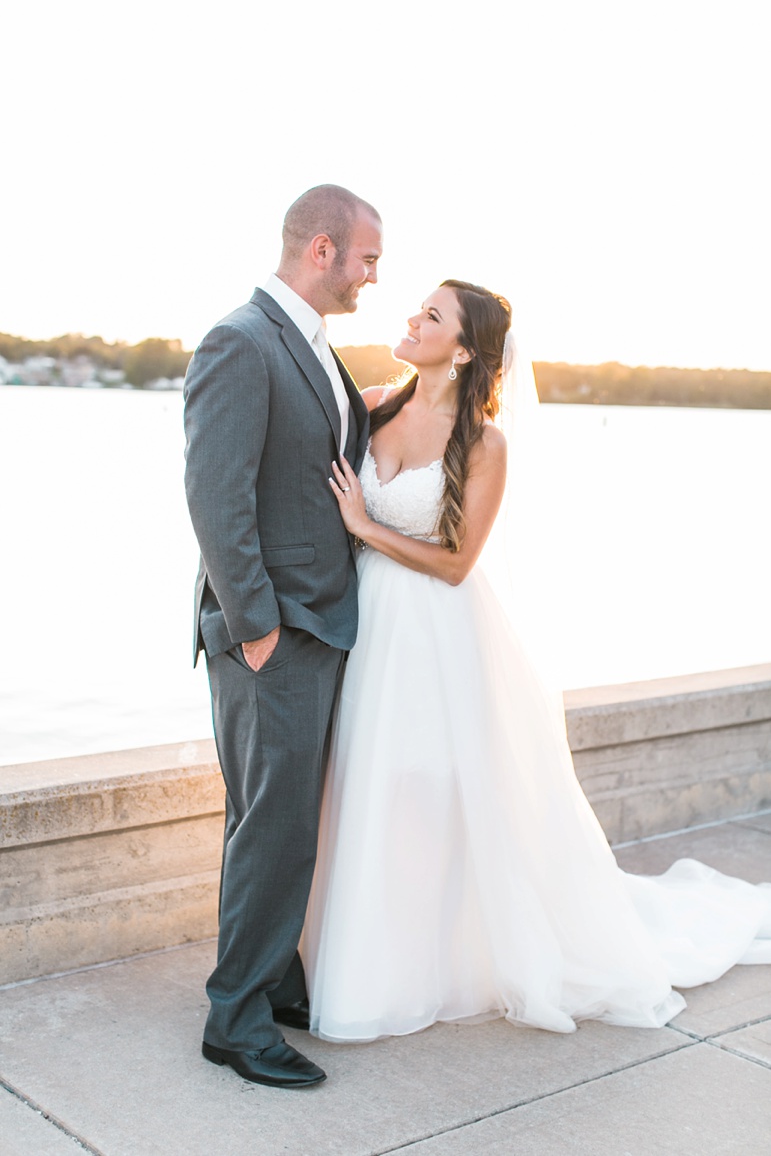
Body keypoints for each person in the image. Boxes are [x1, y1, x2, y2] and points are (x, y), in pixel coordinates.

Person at [300, 279, 771, 1042]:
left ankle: (443, 958)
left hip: (437, 632)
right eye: (417, 307)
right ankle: (359, 949)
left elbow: (455, 563)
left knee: (433, 789)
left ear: (460, 350)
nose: (411, 319)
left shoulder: (485, 444)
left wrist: (361, 522)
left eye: (430, 316)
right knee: (367, 784)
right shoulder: (378, 403)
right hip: (369, 630)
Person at [183, 185, 382, 1086]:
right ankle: (238, 1019)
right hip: (275, 630)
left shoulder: (312, 349)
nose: (373, 278)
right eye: (367, 261)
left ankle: (275, 980)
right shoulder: (240, 341)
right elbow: (215, 499)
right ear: (323, 250)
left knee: (275, 819)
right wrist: (256, 627)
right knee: (274, 825)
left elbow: (319, 451)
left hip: (315, 624)